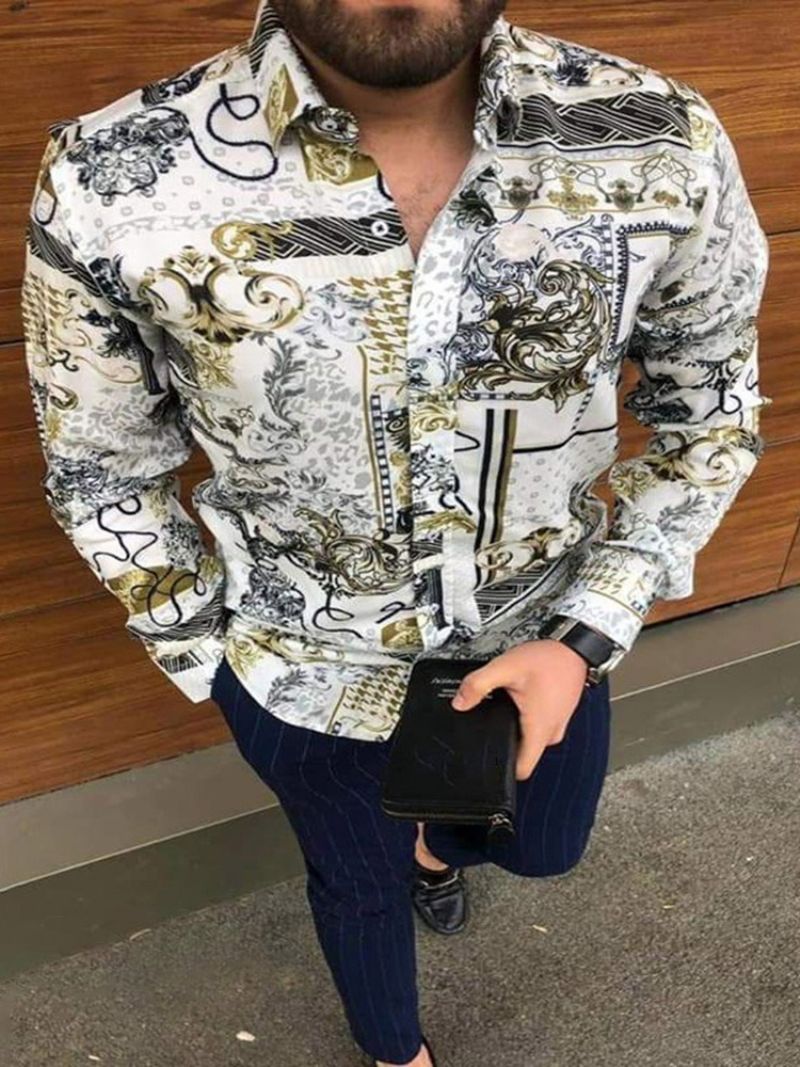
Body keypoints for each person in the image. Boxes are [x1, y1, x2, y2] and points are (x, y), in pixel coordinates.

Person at [21, 0, 770, 1063]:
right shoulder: (108, 176)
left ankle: (434, 850)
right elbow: (102, 469)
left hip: (544, 635)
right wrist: (207, 650)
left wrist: (588, 631)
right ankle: (393, 1049)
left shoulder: (658, 136)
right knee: (352, 884)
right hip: (299, 668)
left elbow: (710, 417)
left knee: (542, 850)